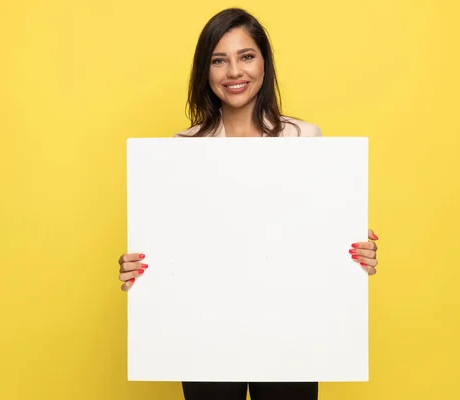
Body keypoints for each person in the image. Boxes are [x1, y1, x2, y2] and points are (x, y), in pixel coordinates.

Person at [118, 7, 380, 400]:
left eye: (246, 56)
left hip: (289, 330)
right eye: (219, 60)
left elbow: (317, 238)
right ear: (205, 73)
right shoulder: (181, 149)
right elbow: (174, 249)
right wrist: (140, 270)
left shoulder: (304, 139)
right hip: (205, 332)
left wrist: (355, 253)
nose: (234, 72)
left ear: (264, 63)